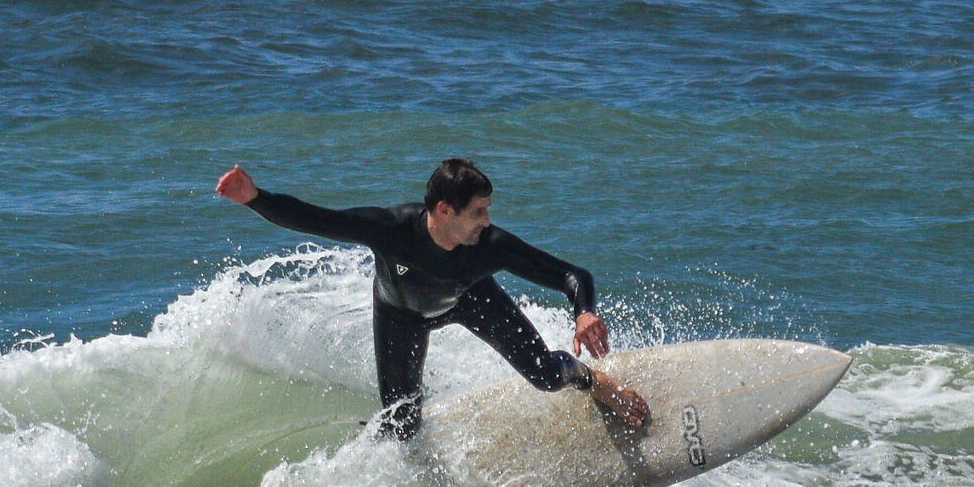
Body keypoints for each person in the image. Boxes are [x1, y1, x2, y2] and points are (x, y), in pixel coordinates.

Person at [216, 157, 649, 441]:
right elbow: (314, 219)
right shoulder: (392, 229)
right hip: (401, 315)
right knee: (403, 424)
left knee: (547, 376)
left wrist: (584, 312)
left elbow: (571, 275)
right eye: (478, 211)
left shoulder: (490, 246)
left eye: (488, 209)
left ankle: (591, 380)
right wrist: (255, 198)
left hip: (472, 300)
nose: (487, 221)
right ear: (444, 210)